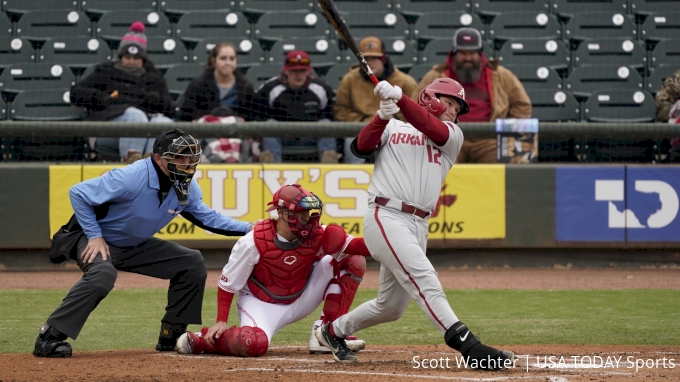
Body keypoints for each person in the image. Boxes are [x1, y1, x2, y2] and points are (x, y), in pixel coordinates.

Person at [314, 79, 515, 369]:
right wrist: (381, 117)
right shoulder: (393, 127)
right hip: (386, 214)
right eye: (447, 103)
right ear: (429, 98)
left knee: (391, 307)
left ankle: (332, 331)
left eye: (456, 107)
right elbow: (360, 147)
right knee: (424, 278)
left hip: (418, 224)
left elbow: (429, 125)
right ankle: (469, 346)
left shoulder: (452, 135)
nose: (452, 111)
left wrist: (400, 98)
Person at [33, 129, 255, 358]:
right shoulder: (130, 178)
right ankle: (49, 337)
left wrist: (249, 227)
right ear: (159, 159)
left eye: (190, 157)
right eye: (179, 157)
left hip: (133, 244)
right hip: (94, 239)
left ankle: (172, 336)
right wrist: (94, 235)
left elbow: (209, 219)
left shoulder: (186, 186)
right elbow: (78, 193)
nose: (186, 163)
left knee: (192, 262)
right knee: (102, 276)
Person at [174, 184, 370, 357]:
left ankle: (327, 332)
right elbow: (228, 283)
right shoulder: (252, 241)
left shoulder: (319, 234)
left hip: (302, 294)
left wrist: (392, 242)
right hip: (261, 302)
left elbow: (359, 247)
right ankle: (203, 340)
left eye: (308, 213)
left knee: (354, 260)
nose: (307, 218)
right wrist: (220, 320)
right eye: (301, 213)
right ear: (283, 213)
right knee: (253, 344)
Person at [414, 27, 531, 164]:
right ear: (454, 54)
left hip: (489, 139)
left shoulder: (501, 75)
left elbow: (522, 105)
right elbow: (416, 104)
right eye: (463, 53)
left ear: (480, 54)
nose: (468, 58)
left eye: (472, 53)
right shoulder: (437, 75)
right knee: (437, 163)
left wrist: (504, 130)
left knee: (501, 167)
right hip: (449, 137)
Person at [70, 22, 175, 163]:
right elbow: (76, 93)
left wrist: (157, 100)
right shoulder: (106, 71)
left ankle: (153, 167)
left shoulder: (154, 77)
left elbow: (171, 110)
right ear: (120, 56)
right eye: (127, 57)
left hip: (147, 128)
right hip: (108, 130)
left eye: (136, 58)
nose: (131, 62)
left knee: (163, 122)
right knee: (135, 116)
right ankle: (132, 168)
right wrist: (102, 98)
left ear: (143, 59)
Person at [334, 36, 417, 164]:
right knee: (351, 140)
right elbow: (340, 110)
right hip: (360, 128)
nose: (370, 63)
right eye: (366, 59)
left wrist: (389, 121)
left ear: (383, 59)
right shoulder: (350, 80)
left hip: (394, 130)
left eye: (374, 58)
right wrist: (366, 121)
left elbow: (414, 113)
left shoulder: (405, 82)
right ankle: (354, 177)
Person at [253, 50, 341, 164]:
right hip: (282, 136)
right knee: (270, 124)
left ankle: (329, 163)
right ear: (286, 71)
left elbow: (329, 114)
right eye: (294, 71)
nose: (298, 75)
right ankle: (271, 165)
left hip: (311, 135)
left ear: (308, 71)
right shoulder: (269, 88)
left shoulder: (321, 89)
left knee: (326, 124)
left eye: (302, 71)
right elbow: (259, 115)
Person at [180, 42, 255, 122]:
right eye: (223, 58)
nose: (228, 63)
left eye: (232, 59)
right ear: (214, 61)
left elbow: (250, 118)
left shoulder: (245, 86)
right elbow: (187, 117)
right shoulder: (197, 85)